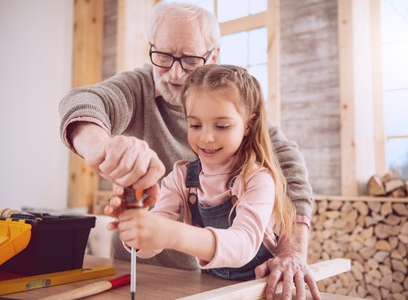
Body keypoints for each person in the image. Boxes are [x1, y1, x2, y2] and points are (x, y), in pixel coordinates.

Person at [59, 2, 320, 299]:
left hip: (206, 280)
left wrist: (293, 251)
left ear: (214, 56)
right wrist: (136, 219)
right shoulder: (181, 173)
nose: (175, 72)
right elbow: (82, 100)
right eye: (164, 56)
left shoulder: (254, 168)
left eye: (190, 59)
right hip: (142, 273)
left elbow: (286, 173)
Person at [113, 64, 296, 281]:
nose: (206, 138)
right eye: (195, 125)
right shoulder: (181, 177)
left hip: (261, 288)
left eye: (221, 126)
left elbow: (242, 245)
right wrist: (135, 227)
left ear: (249, 124)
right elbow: (154, 236)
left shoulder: (257, 180)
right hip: (212, 286)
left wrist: (172, 233)